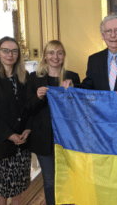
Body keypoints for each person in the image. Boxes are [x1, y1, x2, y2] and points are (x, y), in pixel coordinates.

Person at [26, 40, 80, 205]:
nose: (55, 57)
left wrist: (73, 91)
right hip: (43, 138)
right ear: (45, 56)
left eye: (59, 53)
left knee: (68, 180)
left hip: (68, 138)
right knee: (49, 181)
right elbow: (28, 108)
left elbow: (79, 108)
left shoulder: (73, 77)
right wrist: (38, 97)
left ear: (64, 56)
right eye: (51, 53)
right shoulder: (34, 78)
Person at [0, 36, 31, 205]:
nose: (10, 54)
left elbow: (30, 107)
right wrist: (10, 135)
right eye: (6, 50)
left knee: (19, 185)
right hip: (2, 140)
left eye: (14, 51)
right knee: (3, 186)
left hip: (22, 142)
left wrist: (27, 129)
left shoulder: (24, 76)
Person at [63, 14, 117, 94]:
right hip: (102, 111)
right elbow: (88, 86)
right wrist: (73, 86)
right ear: (102, 35)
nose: (113, 35)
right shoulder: (94, 60)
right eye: (108, 31)